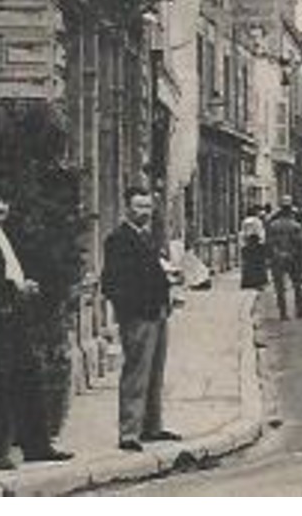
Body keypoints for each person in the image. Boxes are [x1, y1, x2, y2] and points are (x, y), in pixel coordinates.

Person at [0, 187, 72, 469]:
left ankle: (37, 445)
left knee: (28, 377)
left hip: (15, 315)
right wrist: (16, 289)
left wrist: (27, 286)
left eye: (6, 201)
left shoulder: (7, 234)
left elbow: (13, 268)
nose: (2, 207)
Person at [101, 187, 179, 452]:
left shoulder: (147, 237)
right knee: (136, 372)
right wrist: (130, 311)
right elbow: (112, 282)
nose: (144, 212)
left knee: (155, 372)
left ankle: (152, 426)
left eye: (147, 207)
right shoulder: (118, 239)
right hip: (138, 316)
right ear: (127, 208)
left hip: (157, 312)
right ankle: (129, 432)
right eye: (139, 207)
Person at [265, 202, 302, 319]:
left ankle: (283, 313)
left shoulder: (273, 225)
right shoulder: (296, 226)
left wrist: (274, 255)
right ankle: (300, 310)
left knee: (280, 287)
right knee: (297, 284)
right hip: (293, 257)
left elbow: (269, 243)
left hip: (277, 258)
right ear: (290, 212)